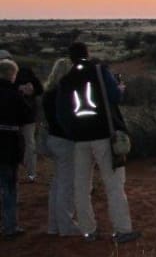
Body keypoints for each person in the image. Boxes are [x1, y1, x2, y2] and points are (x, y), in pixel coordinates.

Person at [55, 42, 139, 243]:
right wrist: (120, 88)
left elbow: (62, 113)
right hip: (104, 135)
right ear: (88, 53)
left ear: (70, 58)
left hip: (79, 140)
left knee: (82, 186)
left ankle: (88, 230)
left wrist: (73, 132)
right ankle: (122, 229)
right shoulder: (100, 71)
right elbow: (114, 97)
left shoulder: (66, 79)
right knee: (114, 184)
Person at [42, 58, 80, 236]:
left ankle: (54, 225)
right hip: (65, 141)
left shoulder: (48, 92)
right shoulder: (64, 93)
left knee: (58, 183)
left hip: (52, 139)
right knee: (66, 184)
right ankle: (66, 226)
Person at [0, 58, 31, 240]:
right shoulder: (14, 94)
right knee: (9, 186)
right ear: (12, 75)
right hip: (8, 144)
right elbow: (27, 116)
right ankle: (10, 226)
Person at [13, 61, 43, 183]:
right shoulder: (29, 76)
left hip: (16, 117)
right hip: (27, 117)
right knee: (30, 144)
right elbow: (40, 91)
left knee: (20, 144)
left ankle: (23, 173)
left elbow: (39, 90)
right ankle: (31, 173)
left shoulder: (19, 76)